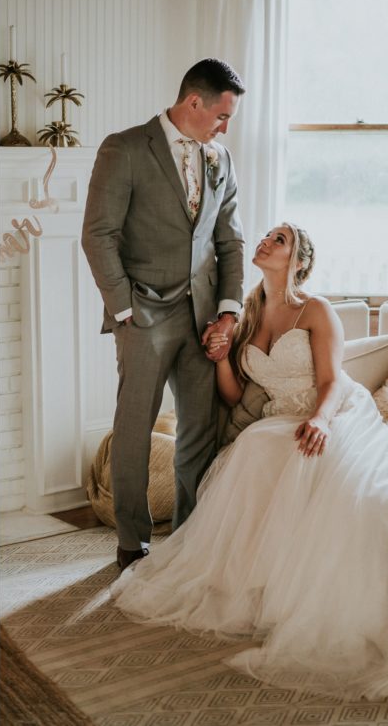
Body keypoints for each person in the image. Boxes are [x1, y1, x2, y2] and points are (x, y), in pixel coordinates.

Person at [113, 223, 388, 703]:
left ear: (298, 261)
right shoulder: (248, 312)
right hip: (280, 418)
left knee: (319, 470)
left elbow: (331, 381)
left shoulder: (315, 310)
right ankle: (263, 587)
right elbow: (236, 393)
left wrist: (321, 420)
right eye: (266, 236)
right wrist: (220, 355)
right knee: (254, 453)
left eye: (278, 240)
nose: (265, 242)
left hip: (334, 412)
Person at [81, 58, 246, 570]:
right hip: (143, 316)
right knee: (135, 427)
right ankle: (133, 542)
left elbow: (230, 240)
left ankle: (189, 536)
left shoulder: (221, 158)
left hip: (202, 317)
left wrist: (228, 311)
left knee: (199, 427)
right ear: (193, 102)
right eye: (222, 115)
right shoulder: (125, 148)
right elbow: (98, 234)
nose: (225, 127)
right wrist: (124, 308)